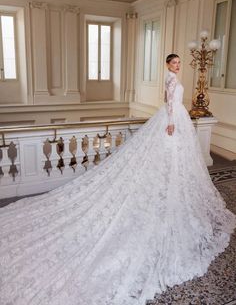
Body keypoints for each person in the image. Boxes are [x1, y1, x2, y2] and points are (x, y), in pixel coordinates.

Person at [0, 54, 235, 305]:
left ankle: (171, 190)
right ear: (168, 64)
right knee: (169, 157)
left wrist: (174, 115)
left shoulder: (172, 78)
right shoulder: (171, 78)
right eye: (174, 62)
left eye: (178, 63)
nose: (177, 65)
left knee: (176, 160)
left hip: (177, 118)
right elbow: (167, 103)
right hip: (171, 121)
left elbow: (166, 99)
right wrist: (169, 122)